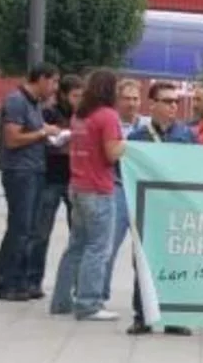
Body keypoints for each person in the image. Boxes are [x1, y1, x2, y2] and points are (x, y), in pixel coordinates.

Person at [51, 69, 124, 321]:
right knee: (97, 248)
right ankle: (88, 304)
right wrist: (127, 144)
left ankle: (61, 301)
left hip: (78, 186)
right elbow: (111, 154)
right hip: (99, 189)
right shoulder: (108, 116)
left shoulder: (80, 116)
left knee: (76, 246)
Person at [126, 82, 196, 336]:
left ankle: (174, 317)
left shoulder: (186, 135)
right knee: (143, 260)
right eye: (167, 101)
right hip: (147, 208)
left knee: (177, 260)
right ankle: (142, 316)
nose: (173, 106)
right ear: (152, 104)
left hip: (176, 209)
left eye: (176, 101)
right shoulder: (137, 138)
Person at [0, 63, 60, 302]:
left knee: (28, 229)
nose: (55, 88)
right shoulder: (16, 101)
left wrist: (47, 132)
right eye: (54, 82)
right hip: (20, 172)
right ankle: (6, 284)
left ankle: (17, 281)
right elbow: (12, 139)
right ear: (41, 79)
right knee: (20, 228)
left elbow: (32, 131)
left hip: (35, 170)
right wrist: (42, 133)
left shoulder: (35, 104)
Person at [28, 74, 83, 299]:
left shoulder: (83, 116)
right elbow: (45, 142)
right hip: (51, 178)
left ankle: (79, 284)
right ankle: (33, 281)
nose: (79, 100)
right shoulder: (49, 113)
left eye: (82, 96)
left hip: (74, 179)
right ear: (64, 95)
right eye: (75, 96)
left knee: (78, 234)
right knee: (41, 233)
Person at [101, 79, 148, 304]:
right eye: (126, 98)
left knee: (145, 250)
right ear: (117, 100)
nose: (131, 103)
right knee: (108, 245)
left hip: (142, 191)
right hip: (118, 188)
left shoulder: (147, 127)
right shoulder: (111, 124)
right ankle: (99, 295)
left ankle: (145, 298)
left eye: (135, 99)